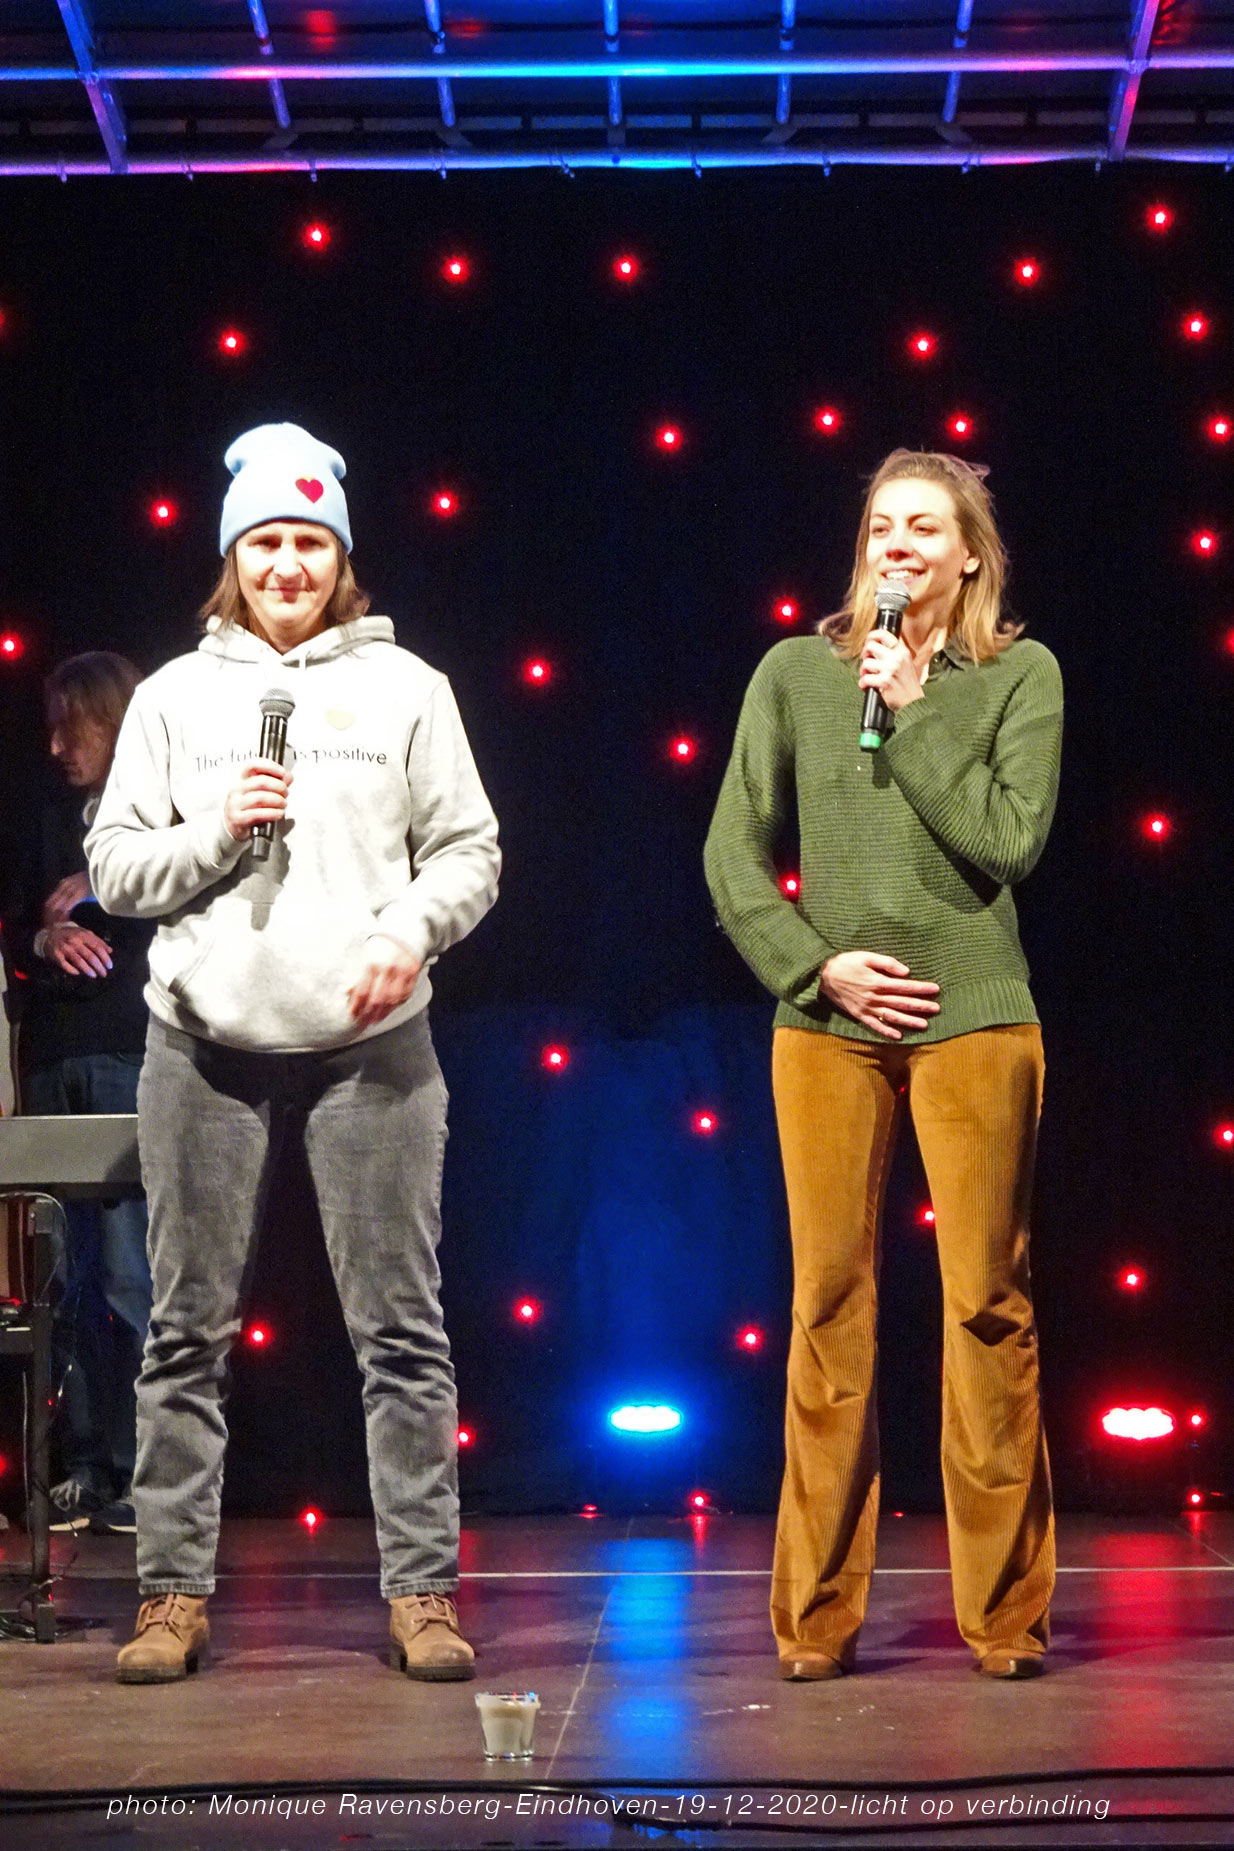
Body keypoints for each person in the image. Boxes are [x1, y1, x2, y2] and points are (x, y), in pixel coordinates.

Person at [86, 423, 500, 1685]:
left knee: (402, 1334)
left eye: (310, 542)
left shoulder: (408, 688)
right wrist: (218, 829)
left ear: (341, 557)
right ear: (232, 557)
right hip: (202, 1049)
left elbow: (470, 852)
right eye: (264, 541)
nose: (287, 565)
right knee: (183, 1333)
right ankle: (170, 1596)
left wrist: (406, 932)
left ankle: (422, 1595)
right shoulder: (172, 697)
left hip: (372, 1050)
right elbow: (116, 869)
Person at [704, 450, 1062, 1682]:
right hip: (829, 1028)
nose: (896, 544)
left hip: (976, 1016)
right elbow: (733, 856)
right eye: (879, 526)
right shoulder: (796, 674)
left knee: (986, 1304)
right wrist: (816, 970)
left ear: (968, 554)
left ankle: (1004, 1620)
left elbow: (1008, 842)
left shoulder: (1018, 675)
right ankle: (813, 1621)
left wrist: (915, 710)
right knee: (827, 1305)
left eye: (924, 527)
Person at [13, 652, 153, 1537]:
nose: (59, 745)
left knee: (133, 1270)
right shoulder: (44, 818)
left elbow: (190, 896)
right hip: (52, 1056)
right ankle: (84, 1467)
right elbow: (15, 920)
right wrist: (42, 938)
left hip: (126, 1050)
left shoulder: (162, 811)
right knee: (59, 1276)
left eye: (75, 726)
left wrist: (109, 884)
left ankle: (149, 1474)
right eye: (53, 727)